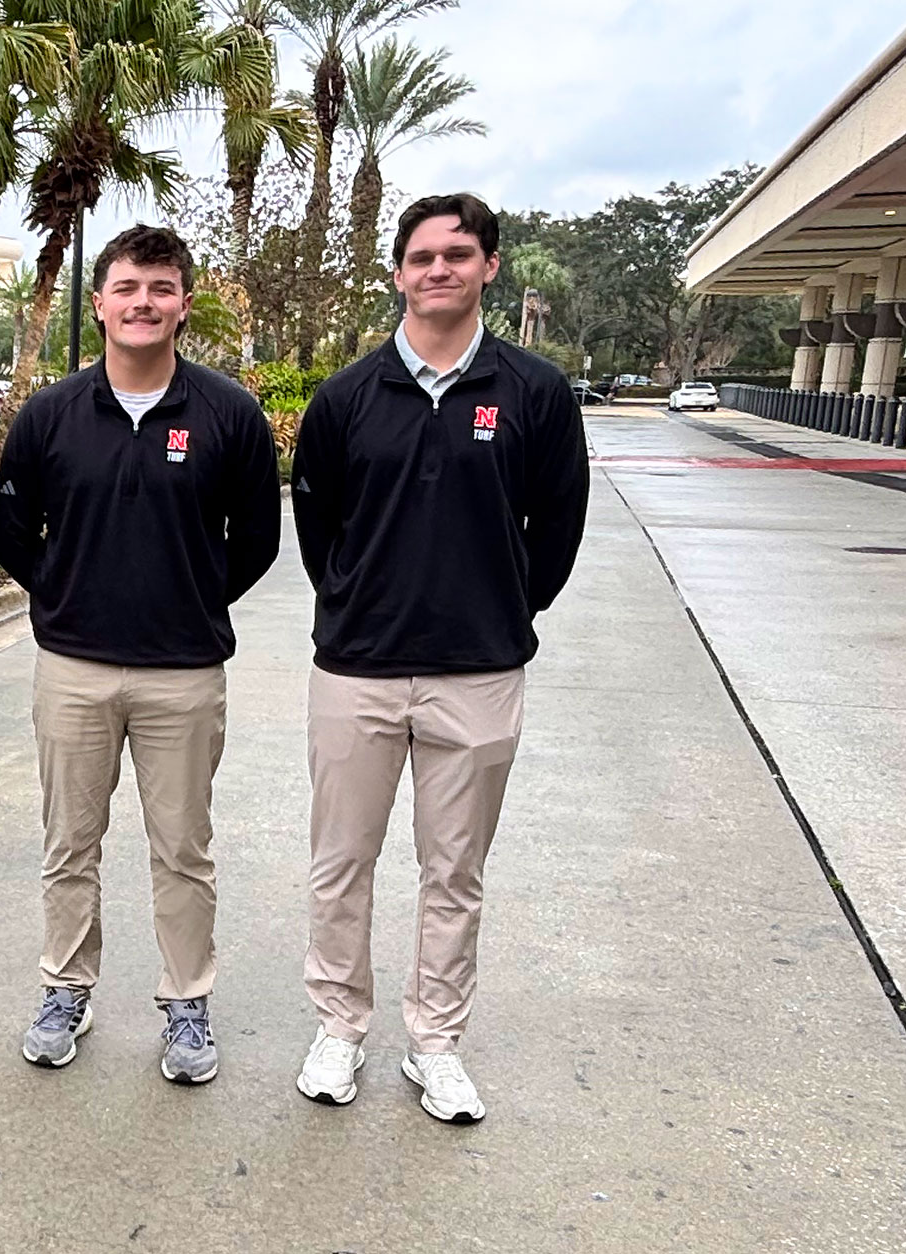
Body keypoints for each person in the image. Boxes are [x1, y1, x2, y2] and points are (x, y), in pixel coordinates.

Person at [288, 193, 588, 1123]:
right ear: (398, 274)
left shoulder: (533, 393)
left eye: (458, 254)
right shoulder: (345, 398)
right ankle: (341, 1028)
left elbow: (559, 527)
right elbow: (318, 528)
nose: (439, 270)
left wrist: (501, 607)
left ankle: (435, 1044)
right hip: (358, 672)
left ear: (490, 266)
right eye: (421, 257)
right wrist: (356, 603)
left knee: (453, 871)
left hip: (480, 673)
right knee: (341, 861)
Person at [0, 225, 281, 1085]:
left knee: (182, 848)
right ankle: (65, 989)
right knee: (69, 843)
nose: (142, 302)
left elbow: (257, 541)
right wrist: (71, 598)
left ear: (184, 303)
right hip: (74, 672)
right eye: (127, 288)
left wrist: (186, 601)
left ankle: (186, 1002)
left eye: (160, 287)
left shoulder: (228, 414)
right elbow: (13, 533)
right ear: (100, 304)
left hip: (183, 674)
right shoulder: (48, 416)